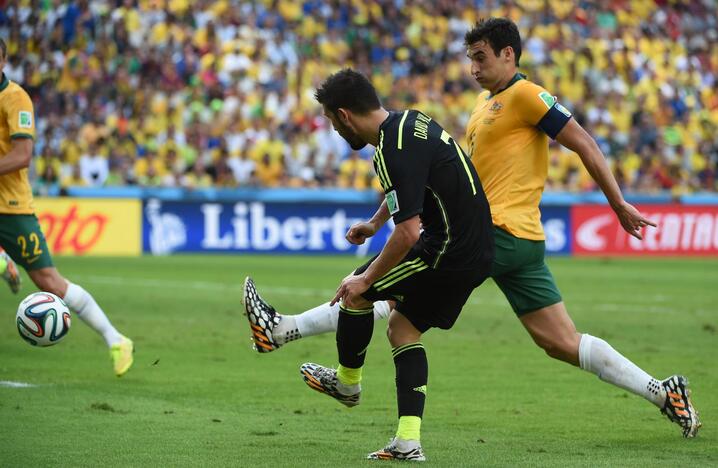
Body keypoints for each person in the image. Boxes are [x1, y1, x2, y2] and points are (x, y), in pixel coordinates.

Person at [242, 19, 702, 440]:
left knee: (382, 292)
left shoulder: (526, 96)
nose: (472, 67)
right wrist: (378, 219)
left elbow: (581, 140)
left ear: (508, 54)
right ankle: (663, 392)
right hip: (519, 240)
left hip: (489, 234)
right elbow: (434, 177)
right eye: (469, 58)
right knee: (561, 342)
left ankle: (284, 330)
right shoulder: (485, 107)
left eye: (481, 57)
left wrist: (617, 201)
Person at [243, 68, 494, 461]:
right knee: (402, 329)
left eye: (330, 121)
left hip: (447, 249)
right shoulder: (409, 122)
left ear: (344, 115)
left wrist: (366, 279)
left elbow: (408, 232)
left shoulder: (390, 150)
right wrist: (376, 223)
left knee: (356, 292)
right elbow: (411, 186)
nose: (335, 131)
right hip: (476, 248)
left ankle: (346, 384)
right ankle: (408, 443)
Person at [0, 39, 134, 377]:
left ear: (2, 62)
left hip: (11, 207)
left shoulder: (14, 98)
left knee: (50, 282)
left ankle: (116, 339)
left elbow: (23, 155)